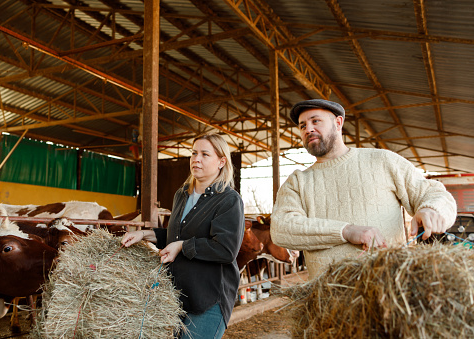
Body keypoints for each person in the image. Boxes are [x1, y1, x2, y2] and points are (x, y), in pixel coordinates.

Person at [271, 99, 457, 279]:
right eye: (303, 126)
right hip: (328, 301)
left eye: (316, 121)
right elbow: (281, 228)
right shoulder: (297, 181)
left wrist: (431, 209)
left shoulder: (383, 160)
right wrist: (346, 231)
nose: (308, 129)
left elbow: (434, 194)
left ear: (338, 123)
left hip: (388, 291)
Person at [122, 133, 244, 339]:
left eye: (205, 154)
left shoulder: (228, 200)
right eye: (194, 153)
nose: (196, 159)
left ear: (221, 161)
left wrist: (181, 246)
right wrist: (144, 234)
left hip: (209, 298)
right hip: (176, 294)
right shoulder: (182, 194)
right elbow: (176, 236)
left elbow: (225, 249)